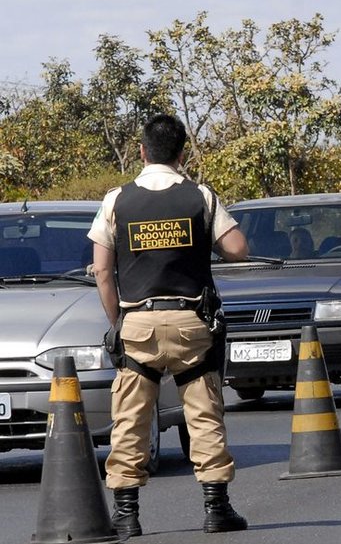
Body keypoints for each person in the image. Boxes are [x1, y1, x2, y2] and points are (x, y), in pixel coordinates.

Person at [88, 114, 250, 539]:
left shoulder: (116, 200)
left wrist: (118, 324)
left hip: (137, 323)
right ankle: (217, 509)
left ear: (141, 151)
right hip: (190, 321)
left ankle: (127, 515)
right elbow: (237, 249)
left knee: (130, 420)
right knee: (204, 415)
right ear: (182, 155)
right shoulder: (199, 196)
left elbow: (103, 273)